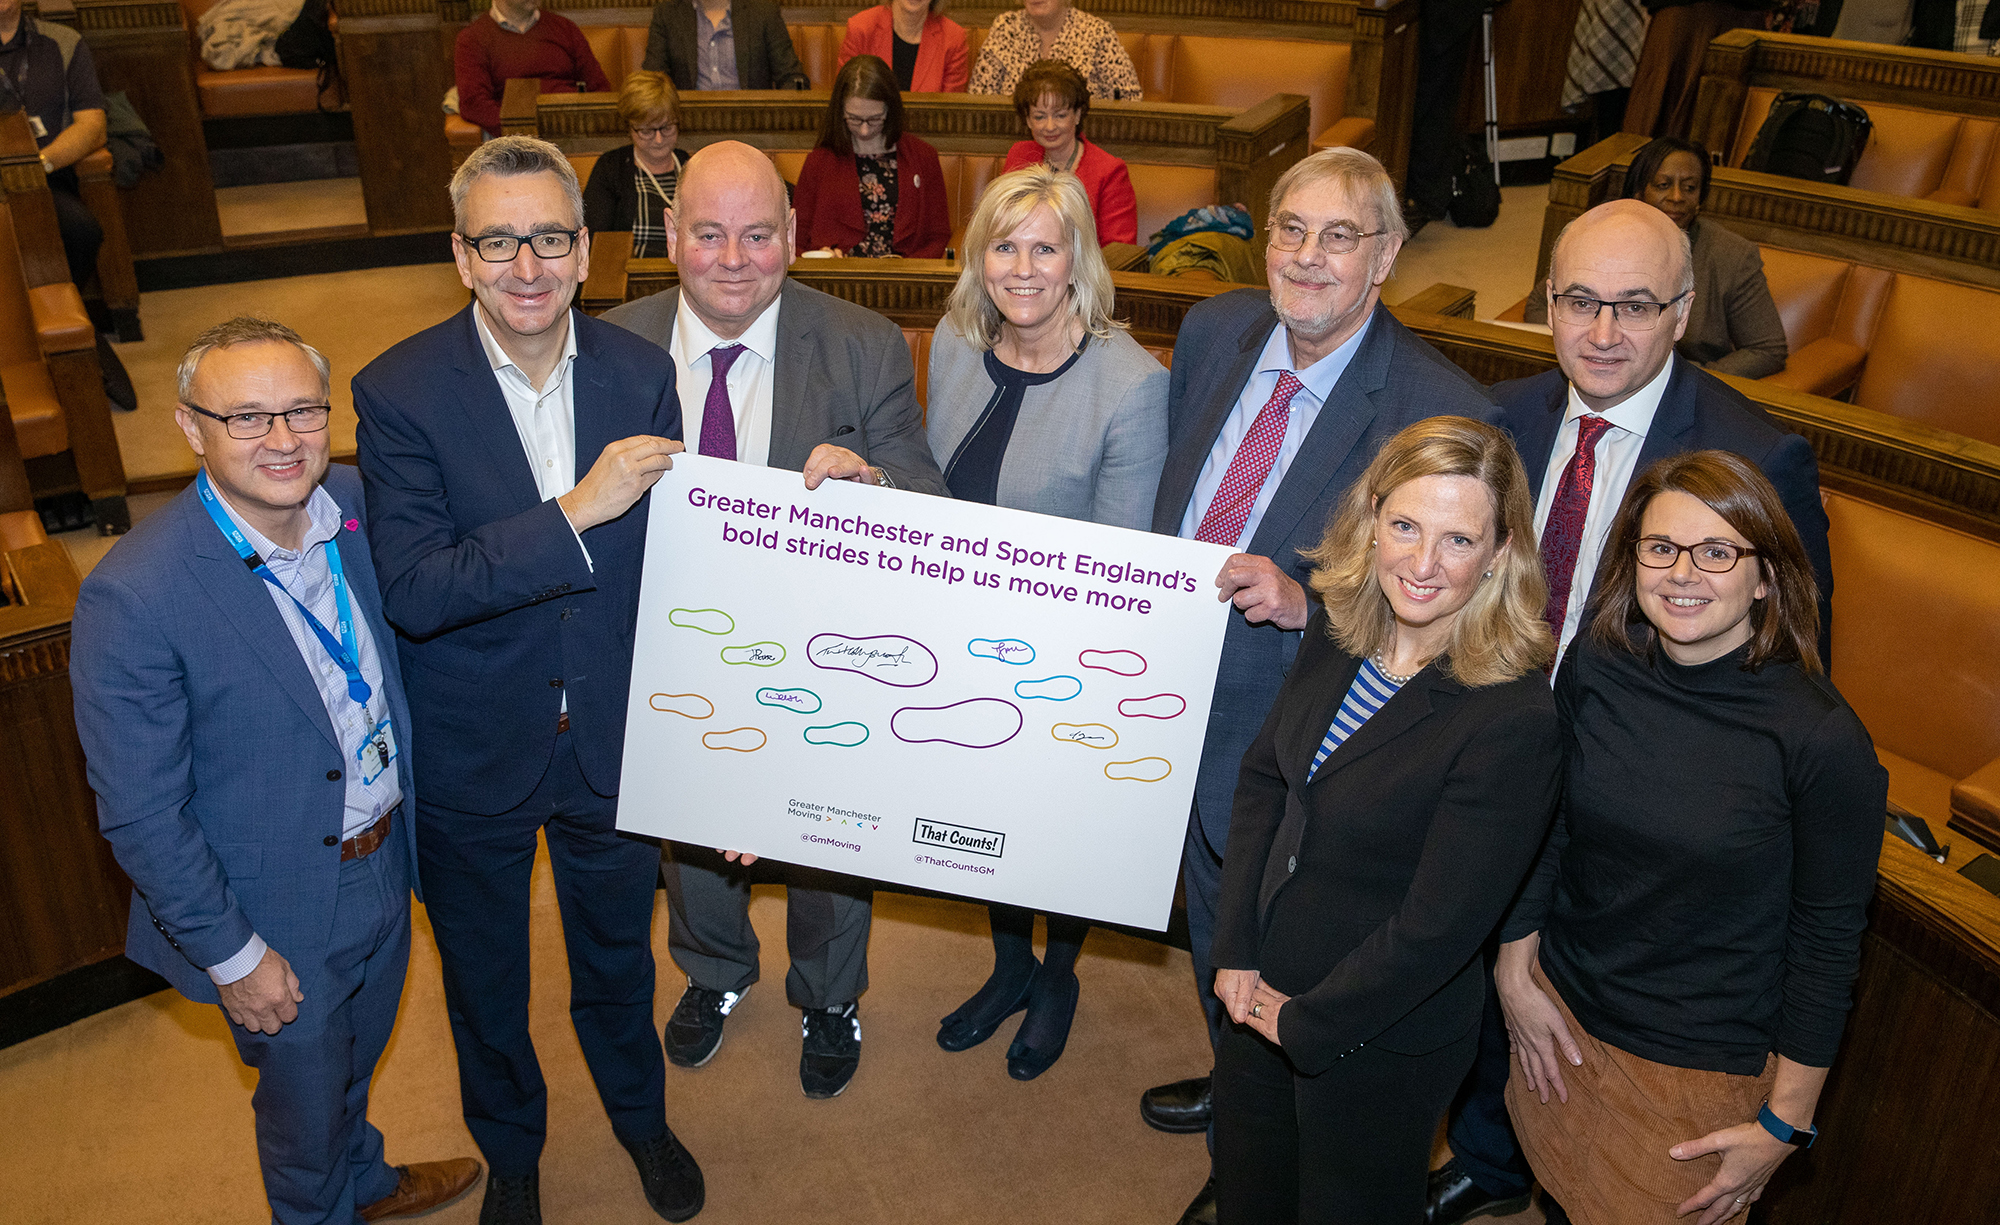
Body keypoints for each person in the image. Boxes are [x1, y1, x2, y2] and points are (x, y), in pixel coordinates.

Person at [1428, 197, 1834, 1225]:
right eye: (1577, 302)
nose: (1601, 332)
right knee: (1482, 972)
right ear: (1546, 300)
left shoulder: (1756, 451)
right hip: (1490, 743)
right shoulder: (1502, 417)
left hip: (1637, 782)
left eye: (1634, 305)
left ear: (1684, 309)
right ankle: (1489, 1151)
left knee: (1571, 1005)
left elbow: (1794, 649)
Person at [1136, 146, 1502, 1225]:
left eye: (1339, 236)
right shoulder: (1211, 331)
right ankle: (1235, 1082)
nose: (1306, 257)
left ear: (1386, 253)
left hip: (1302, 736)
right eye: (1289, 229)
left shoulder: (1438, 406)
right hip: (1161, 701)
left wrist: (1311, 603)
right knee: (1218, 926)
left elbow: (1451, 601)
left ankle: (1256, 1144)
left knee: (1285, 938)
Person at [353, 137, 702, 1225]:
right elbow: (415, 587)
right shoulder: (399, 390)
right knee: (486, 983)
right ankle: (512, 1152)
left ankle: (641, 1120)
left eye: (549, 237)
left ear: (585, 251)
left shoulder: (643, 374)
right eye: (498, 241)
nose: (526, 266)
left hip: (608, 737)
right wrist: (574, 512)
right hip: (474, 746)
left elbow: (681, 564)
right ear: (461, 256)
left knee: (617, 960)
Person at [71, 318, 482, 1224]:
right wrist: (233, 955)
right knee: (299, 1125)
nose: (285, 439)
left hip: (384, 857)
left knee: (354, 1060)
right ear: (191, 428)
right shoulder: (134, 592)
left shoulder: (360, 504)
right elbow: (141, 813)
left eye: (302, 410)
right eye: (248, 417)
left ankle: (367, 1180)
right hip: (272, 908)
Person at [602, 140, 947, 1101]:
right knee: (691, 834)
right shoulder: (612, 344)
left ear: (793, 237)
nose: (733, 258)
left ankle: (830, 994)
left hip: (823, 653)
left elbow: (929, 493)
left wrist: (874, 485)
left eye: (758, 234)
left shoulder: (863, 343)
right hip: (670, 648)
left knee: (828, 840)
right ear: (670, 235)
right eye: (708, 233)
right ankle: (714, 972)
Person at [1498, 450, 1885, 1225]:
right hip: (1560, 1020)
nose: (1683, 572)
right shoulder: (1598, 661)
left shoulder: (1822, 739)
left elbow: (1829, 940)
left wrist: (1785, 1122)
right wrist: (1515, 971)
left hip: (1693, 1070)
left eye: (1717, 552)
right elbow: (1551, 824)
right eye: (1661, 547)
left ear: (1767, 574)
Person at [1212, 415, 1562, 1225]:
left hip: (1376, 1033)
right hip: (1256, 991)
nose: (1423, 563)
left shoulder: (1513, 715)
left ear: (1500, 554)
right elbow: (1267, 777)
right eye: (1404, 526)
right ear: (1372, 519)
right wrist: (1235, 953)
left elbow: (1438, 927)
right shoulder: (1340, 626)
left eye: (1457, 540)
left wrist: (1302, 1018)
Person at [924, 163, 1168, 1079]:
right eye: (1003, 245)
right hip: (957, 638)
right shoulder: (954, 341)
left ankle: (1058, 967)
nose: (1022, 268)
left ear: (1079, 259)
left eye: (1045, 246)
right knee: (983, 818)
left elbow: (1121, 565)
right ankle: (1008, 962)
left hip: (1067, 655)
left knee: (1051, 825)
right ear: (979, 256)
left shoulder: (1130, 385)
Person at [1526, 136, 1788, 380]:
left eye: (1689, 188)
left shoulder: (1733, 255)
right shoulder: (1601, 239)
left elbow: (1767, 349)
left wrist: (1693, 380)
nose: (1677, 198)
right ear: (1638, 192)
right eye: (1663, 186)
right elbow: (1539, 306)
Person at [0, 0, 135, 410]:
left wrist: (37, 166)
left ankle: (67, 323)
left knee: (81, 230)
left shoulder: (62, 41)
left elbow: (92, 124)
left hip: (46, 176)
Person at [794, 55, 951, 258]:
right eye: (854, 119)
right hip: (839, 279)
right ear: (840, 111)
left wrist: (910, 272)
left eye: (875, 119)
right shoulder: (819, 162)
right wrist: (822, 257)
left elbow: (938, 236)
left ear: (890, 110)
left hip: (906, 280)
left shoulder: (923, 157)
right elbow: (796, 240)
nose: (865, 130)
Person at [1001, 60, 1136, 245]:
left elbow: (1120, 249)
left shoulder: (1109, 171)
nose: (1049, 126)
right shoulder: (1019, 155)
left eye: (1060, 115)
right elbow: (999, 225)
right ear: (1028, 119)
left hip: (1083, 272)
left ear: (1078, 115)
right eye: (1039, 116)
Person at [453, 0, 612, 139]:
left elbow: (599, 88)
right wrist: (524, 133)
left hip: (573, 131)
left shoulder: (565, 28)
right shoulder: (472, 39)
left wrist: (584, 125)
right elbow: (474, 104)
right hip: (514, 141)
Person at [583, 71, 691, 258]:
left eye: (666, 128)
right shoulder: (611, 168)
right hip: (630, 280)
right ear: (629, 127)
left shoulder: (691, 166)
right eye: (647, 130)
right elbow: (596, 242)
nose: (658, 139)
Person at [968, 0, 1143, 100]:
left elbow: (1129, 99)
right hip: (1013, 142)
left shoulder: (1096, 32)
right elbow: (979, 97)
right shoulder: (1005, 27)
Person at [643, 0, 809, 90]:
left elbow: (791, 76)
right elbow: (652, 80)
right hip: (688, 126)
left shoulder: (763, 11)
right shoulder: (667, 14)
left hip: (753, 123)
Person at [838, 0, 970, 92]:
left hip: (927, 131)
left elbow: (950, 113)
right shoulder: (861, 29)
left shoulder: (953, 39)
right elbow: (846, 98)